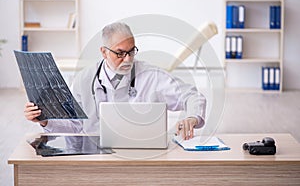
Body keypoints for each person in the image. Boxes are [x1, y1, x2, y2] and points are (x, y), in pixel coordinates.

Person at [24, 22, 206, 140]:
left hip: (141, 158)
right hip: (95, 158)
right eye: (120, 53)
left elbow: (193, 96)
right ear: (104, 52)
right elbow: (75, 125)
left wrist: (192, 117)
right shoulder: (84, 80)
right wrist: (45, 120)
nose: (127, 59)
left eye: (131, 51)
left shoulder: (152, 76)